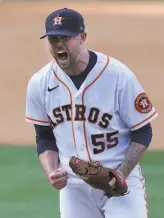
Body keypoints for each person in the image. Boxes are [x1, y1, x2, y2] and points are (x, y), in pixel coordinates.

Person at [26, 8, 158, 218]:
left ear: (82, 38)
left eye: (66, 38)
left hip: (121, 182)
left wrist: (121, 174)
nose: (59, 44)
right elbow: (44, 138)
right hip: (73, 189)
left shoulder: (118, 76)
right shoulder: (39, 84)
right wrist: (51, 171)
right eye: (53, 39)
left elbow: (143, 131)